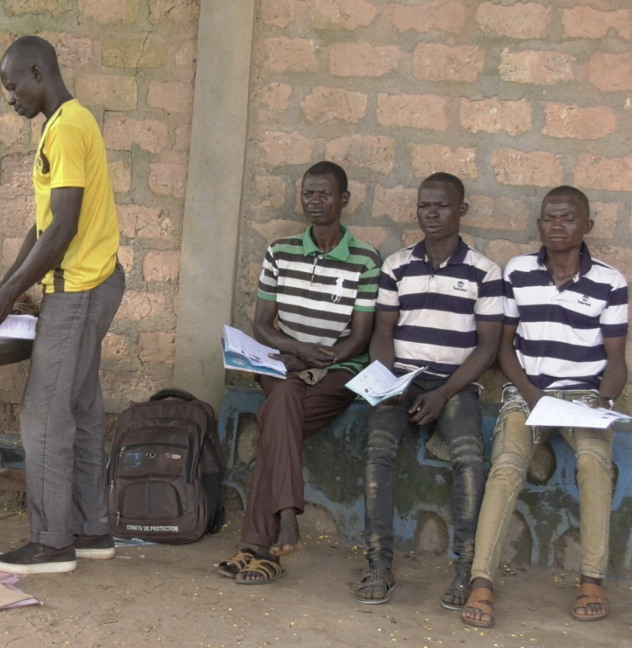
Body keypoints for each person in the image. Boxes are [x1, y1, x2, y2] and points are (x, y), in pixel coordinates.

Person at [0, 36, 125, 575]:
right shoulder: (65, 124)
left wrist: (11, 294)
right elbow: (42, 225)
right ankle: (90, 530)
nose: (10, 98)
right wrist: (5, 285)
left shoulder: (66, 128)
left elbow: (63, 228)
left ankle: (52, 542)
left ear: (38, 72)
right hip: (91, 283)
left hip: (79, 289)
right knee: (80, 410)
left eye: (13, 86)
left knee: (43, 415)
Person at [462, 186, 627, 627]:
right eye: (549, 217)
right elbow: (504, 347)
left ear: (587, 226)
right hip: (527, 393)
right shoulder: (518, 272)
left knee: (595, 463)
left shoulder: (610, 282)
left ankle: (591, 581)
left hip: (584, 398)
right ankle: (481, 582)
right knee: (506, 467)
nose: (557, 225)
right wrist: (533, 395)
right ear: (538, 224)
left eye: (568, 218)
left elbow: (616, 360)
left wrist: (604, 400)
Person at [215, 161, 381, 584]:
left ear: (345, 199)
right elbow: (262, 325)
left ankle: (258, 544)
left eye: (324, 193)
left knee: (278, 416)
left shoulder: (365, 259)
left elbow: (361, 335)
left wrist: (323, 359)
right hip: (284, 364)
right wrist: (298, 351)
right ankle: (285, 522)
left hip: (337, 370)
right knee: (285, 396)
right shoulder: (280, 251)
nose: (315, 201)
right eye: (308, 193)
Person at [356, 173, 503, 608]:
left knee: (469, 456)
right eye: (424, 205)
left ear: (462, 210)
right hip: (402, 379)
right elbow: (383, 332)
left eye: (442, 205)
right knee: (377, 448)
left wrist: (443, 394)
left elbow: (488, 348)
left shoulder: (484, 271)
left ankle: (466, 570)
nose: (431, 213)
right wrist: (386, 378)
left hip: (455, 384)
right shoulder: (397, 265)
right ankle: (379, 565)